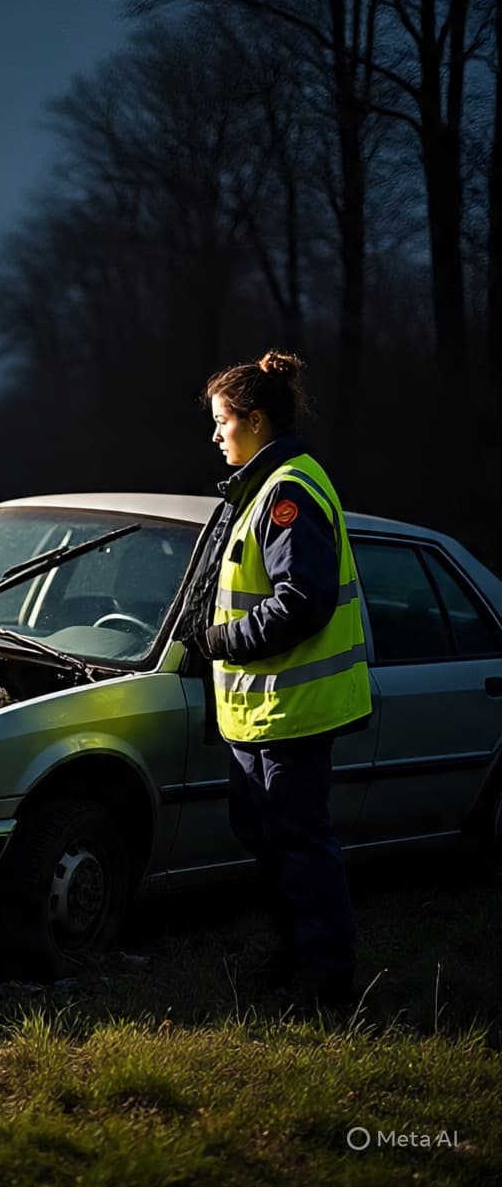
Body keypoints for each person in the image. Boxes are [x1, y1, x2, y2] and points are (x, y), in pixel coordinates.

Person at [188, 350, 370, 1009]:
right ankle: (296, 965)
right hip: (262, 717)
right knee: (278, 849)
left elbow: (303, 601)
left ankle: (323, 985)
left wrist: (219, 643)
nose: (216, 435)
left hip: (294, 714)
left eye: (222, 422)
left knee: (301, 853)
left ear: (256, 420)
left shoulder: (287, 491)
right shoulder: (263, 487)